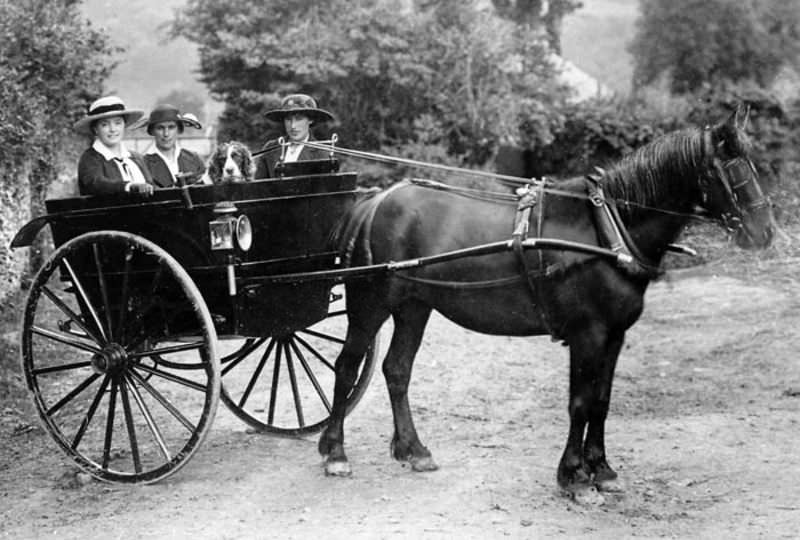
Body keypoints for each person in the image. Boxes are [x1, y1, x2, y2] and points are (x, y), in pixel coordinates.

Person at [74, 95, 155, 197]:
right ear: (95, 129)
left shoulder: (136, 158)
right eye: (105, 124)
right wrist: (129, 186)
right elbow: (96, 183)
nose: (113, 129)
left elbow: (152, 187)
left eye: (118, 123)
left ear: (124, 125)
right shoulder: (90, 159)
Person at [254, 94, 336, 178]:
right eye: (288, 119)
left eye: (299, 119)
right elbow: (258, 186)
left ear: (310, 120)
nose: (293, 126)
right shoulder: (271, 148)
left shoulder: (322, 153)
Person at [139, 104, 206, 187]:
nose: (166, 134)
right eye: (160, 128)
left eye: (171, 127)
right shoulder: (143, 164)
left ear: (179, 129)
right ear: (152, 131)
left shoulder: (194, 159)